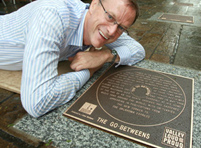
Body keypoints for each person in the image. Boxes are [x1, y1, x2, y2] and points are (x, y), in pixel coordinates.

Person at [0, 0, 145, 117]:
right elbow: (37, 102)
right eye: (110, 17)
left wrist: (106, 55)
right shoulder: (52, 16)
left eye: (121, 28)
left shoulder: (101, 25)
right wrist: (89, 70)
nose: (112, 31)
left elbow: (138, 49)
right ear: (94, 5)